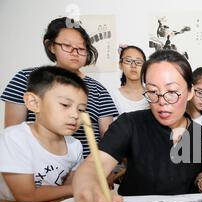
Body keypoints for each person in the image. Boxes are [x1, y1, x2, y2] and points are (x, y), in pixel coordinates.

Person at [73, 50, 202, 202]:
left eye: (172, 92)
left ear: (190, 91)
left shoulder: (197, 132)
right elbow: (93, 166)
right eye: (153, 91)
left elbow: (196, 173)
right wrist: (87, 190)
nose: (161, 101)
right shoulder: (130, 124)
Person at [1, 17, 118, 157]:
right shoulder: (27, 78)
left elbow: (108, 138)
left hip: (88, 167)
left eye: (81, 48)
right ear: (51, 46)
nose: (75, 52)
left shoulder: (99, 90)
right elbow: (13, 132)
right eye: (67, 46)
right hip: (37, 167)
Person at [0, 66, 86, 202]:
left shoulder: (75, 146)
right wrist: (77, 188)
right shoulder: (15, 138)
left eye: (81, 109)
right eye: (65, 105)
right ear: (34, 103)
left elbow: (68, 192)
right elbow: (26, 195)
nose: (76, 115)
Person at [112, 44, 148, 114]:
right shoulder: (112, 97)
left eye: (138, 62)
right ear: (120, 65)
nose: (133, 65)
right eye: (128, 61)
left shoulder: (152, 96)